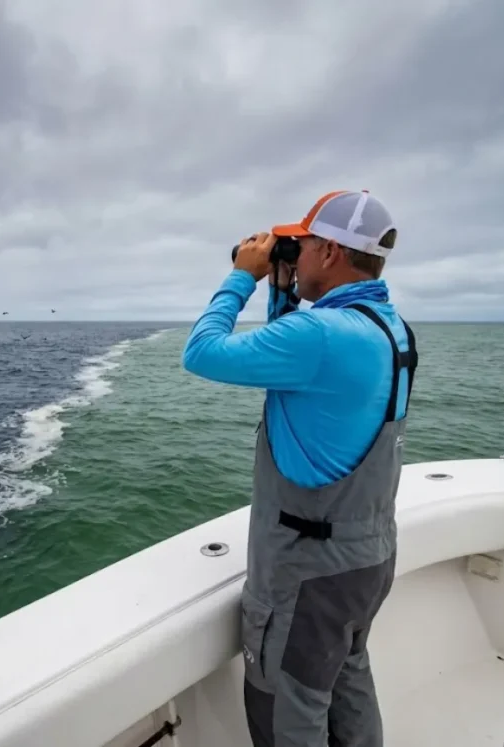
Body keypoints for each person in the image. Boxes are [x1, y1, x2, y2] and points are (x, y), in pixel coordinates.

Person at [182, 190, 418, 747]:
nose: (297, 253)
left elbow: (202, 352)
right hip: (367, 558)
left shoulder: (317, 336)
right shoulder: (391, 330)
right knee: (346, 676)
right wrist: (284, 290)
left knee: (288, 706)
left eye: (305, 244)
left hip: (306, 574)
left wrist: (242, 277)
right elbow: (297, 377)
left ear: (331, 252)